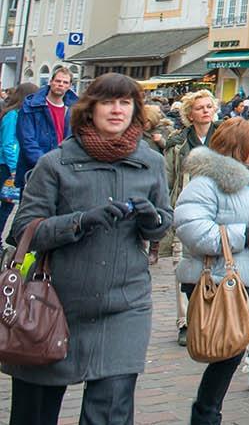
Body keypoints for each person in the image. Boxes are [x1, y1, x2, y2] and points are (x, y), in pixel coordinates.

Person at [2, 72, 173, 425]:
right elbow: (23, 231)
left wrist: (151, 218)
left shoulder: (151, 161)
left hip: (124, 304)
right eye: (107, 102)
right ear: (89, 109)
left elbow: (164, 223)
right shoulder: (55, 163)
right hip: (52, 303)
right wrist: (79, 222)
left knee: (111, 411)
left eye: (125, 102)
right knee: (34, 413)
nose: (117, 110)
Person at [174, 117, 249, 423]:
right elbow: (191, 228)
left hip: (248, 278)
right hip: (218, 280)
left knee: (233, 349)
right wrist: (244, 236)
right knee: (226, 350)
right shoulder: (206, 184)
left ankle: (207, 412)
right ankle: (206, 414)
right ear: (240, 150)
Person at [163, 89, 218, 344]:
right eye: (200, 107)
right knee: (182, 265)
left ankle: (210, 319)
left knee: (214, 265)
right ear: (189, 114)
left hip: (216, 210)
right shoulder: (178, 143)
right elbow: (168, 179)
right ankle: (185, 321)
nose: (206, 110)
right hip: (185, 209)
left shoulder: (224, 138)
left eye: (209, 106)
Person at [14, 66, 77, 192]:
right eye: (58, 81)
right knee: (29, 210)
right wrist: (46, 165)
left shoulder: (74, 109)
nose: (60, 85)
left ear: (69, 86)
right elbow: (27, 141)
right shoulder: (31, 106)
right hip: (34, 169)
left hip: (63, 170)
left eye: (65, 82)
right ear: (51, 82)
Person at [0, 81, 37, 239]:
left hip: (15, 165)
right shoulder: (12, 115)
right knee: (6, 204)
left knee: (9, 204)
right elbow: (8, 143)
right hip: (6, 166)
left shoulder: (23, 114)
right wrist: (14, 168)